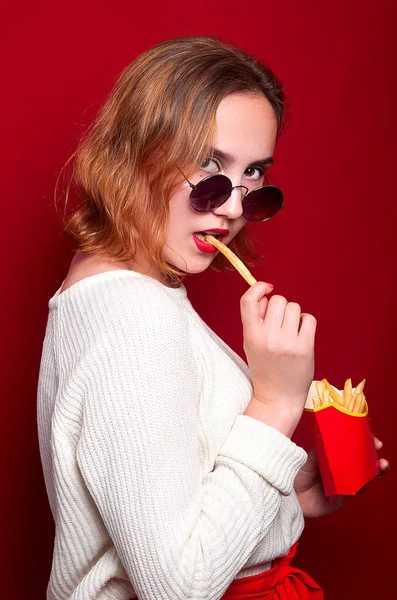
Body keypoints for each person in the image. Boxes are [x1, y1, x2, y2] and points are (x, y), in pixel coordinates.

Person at [37, 35, 389, 600]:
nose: (232, 208)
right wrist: (274, 404)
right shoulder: (134, 317)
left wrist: (290, 498)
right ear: (136, 152)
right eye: (210, 164)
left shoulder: (132, 290)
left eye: (254, 176)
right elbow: (180, 584)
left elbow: (171, 493)